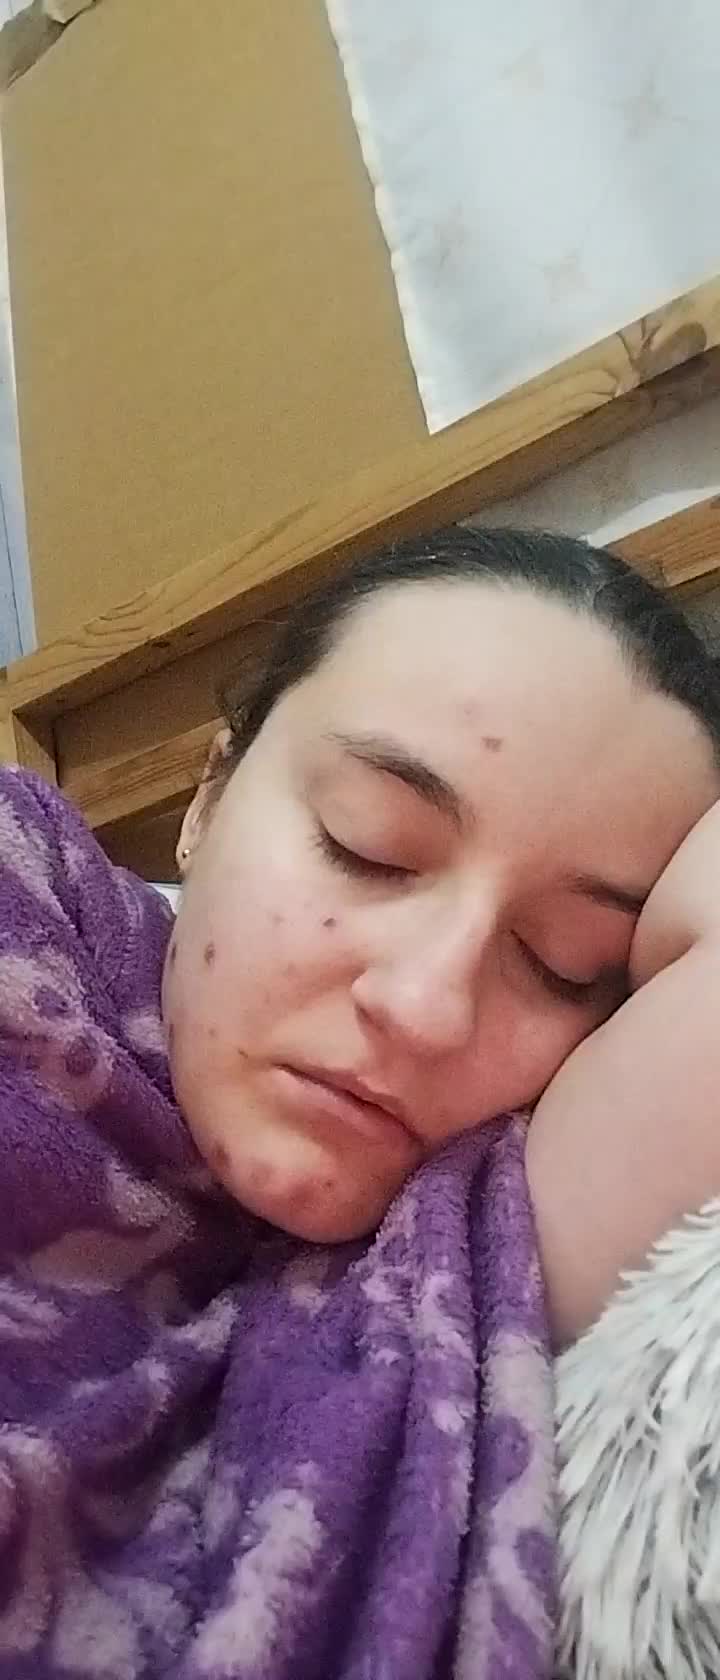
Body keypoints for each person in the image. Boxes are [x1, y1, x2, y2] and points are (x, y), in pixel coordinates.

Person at [2, 522, 720, 1679]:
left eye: (560, 962)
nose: (429, 1005)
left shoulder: (478, 1222)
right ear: (209, 798)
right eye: (369, 847)